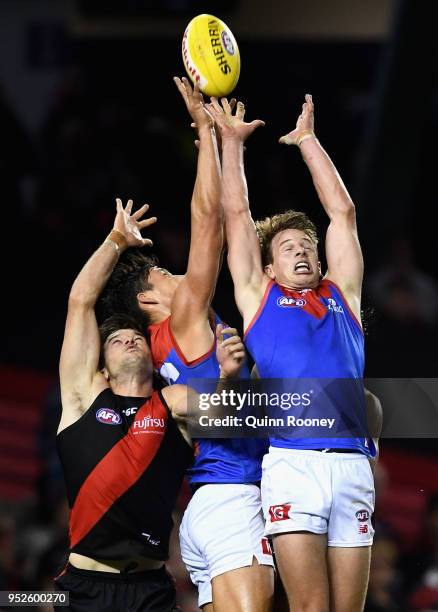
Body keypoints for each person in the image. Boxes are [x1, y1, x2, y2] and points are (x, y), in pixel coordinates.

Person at [100, 78, 273, 612]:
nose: (182, 276)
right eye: (167, 274)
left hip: (200, 507)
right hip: (233, 494)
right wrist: (207, 132)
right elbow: (209, 225)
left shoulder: (149, 350)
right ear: (150, 298)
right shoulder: (184, 320)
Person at [208, 94, 376, 612]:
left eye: (307, 244)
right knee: (309, 609)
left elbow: (342, 212)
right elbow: (235, 213)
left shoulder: (342, 293)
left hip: (353, 466)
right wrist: (231, 145)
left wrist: (307, 141)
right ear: (271, 268)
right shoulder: (259, 297)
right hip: (293, 464)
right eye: (287, 248)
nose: (301, 250)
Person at [55, 198, 246, 612]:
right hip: (81, 585)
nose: (128, 339)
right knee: (16, 599)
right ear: (100, 366)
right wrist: (116, 241)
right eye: (115, 339)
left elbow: (225, 414)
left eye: (135, 336)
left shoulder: (172, 402)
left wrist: (228, 378)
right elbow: (80, 302)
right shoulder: (81, 400)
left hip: (152, 588)